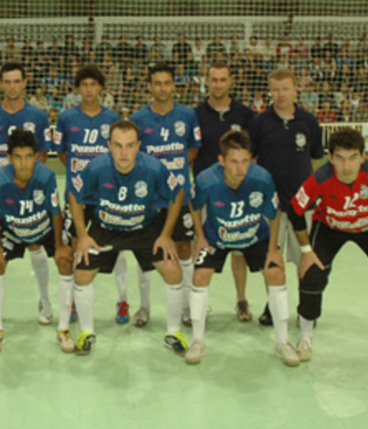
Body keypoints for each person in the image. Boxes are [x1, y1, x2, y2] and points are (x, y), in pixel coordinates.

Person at [289, 127, 368, 367]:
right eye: (339, 158)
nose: (346, 166)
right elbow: (296, 209)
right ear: (330, 158)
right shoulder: (320, 178)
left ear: (363, 156)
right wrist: (306, 252)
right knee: (312, 275)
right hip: (330, 226)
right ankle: (305, 337)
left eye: (352, 158)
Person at [69, 120, 186, 356]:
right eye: (118, 145)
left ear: (139, 146)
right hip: (105, 228)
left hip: (144, 228)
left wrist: (165, 234)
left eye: (130, 145)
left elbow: (177, 194)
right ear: (109, 145)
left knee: (174, 272)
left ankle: (174, 332)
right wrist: (82, 234)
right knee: (81, 275)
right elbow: (74, 194)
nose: (124, 152)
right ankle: (86, 333)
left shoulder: (154, 168)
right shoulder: (95, 168)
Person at [188, 130, 299, 366]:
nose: (240, 168)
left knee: (276, 272)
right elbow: (195, 205)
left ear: (252, 159)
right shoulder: (206, 180)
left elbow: (273, 212)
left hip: (254, 236)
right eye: (234, 162)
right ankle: (197, 340)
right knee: (199, 275)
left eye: (245, 161)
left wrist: (272, 249)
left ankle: (283, 342)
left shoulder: (263, 179)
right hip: (216, 238)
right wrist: (200, 238)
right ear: (222, 160)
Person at [53, 65, 128, 337]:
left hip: (107, 196)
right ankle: (74, 300)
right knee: (76, 246)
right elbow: (62, 155)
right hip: (78, 197)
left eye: (93, 84)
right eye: (83, 84)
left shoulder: (113, 118)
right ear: (78, 88)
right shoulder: (66, 118)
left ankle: (122, 300)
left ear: (100, 88)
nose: (88, 89)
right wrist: (80, 175)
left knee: (116, 248)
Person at [0, 63, 55, 323]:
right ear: (0, 84)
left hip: (30, 190)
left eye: (16, 81)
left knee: (35, 242)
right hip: (0, 193)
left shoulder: (39, 116)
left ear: (25, 83)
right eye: (7, 82)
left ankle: (44, 300)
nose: (12, 86)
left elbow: (42, 155)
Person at [248, 68, 324, 326]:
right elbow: (253, 159)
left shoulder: (309, 122)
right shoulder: (259, 123)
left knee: (306, 257)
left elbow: (314, 157)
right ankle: (273, 306)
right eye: (276, 89)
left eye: (285, 89)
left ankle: (307, 308)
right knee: (272, 259)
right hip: (272, 207)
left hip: (304, 207)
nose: (280, 95)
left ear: (295, 90)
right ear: (270, 91)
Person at [130, 62, 202, 329]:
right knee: (146, 252)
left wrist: (175, 175)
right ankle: (144, 307)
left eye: (166, 83)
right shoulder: (138, 119)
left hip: (179, 197)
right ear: (150, 86)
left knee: (184, 247)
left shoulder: (187, 116)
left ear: (174, 85)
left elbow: (192, 150)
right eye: (157, 83)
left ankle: (186, 308)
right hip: (149, 199)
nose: (162, 88)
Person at [0, 129, 72, 352]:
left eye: (28, 157)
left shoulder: (46, 176)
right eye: (17, 157)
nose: (23, 163)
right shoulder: (0, 180)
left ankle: (62, 327)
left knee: (65, 261)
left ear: (36, 156)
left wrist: (61, 246)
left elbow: (55, 211)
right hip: (13, 229)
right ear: (9, 158)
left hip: (43, 227)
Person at [194, 63, 258, 322]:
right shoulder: (195, 114)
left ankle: (241, 300)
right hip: (208, 193)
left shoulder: (245, 115)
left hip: (238, 193)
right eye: (214, 79)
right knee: (204, 249)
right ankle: (201, 305)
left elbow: (252, 154)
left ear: (231, 81)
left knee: (240, 249)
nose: (218, 84)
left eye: (223, 79)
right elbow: (191, 151)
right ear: (206, 81)